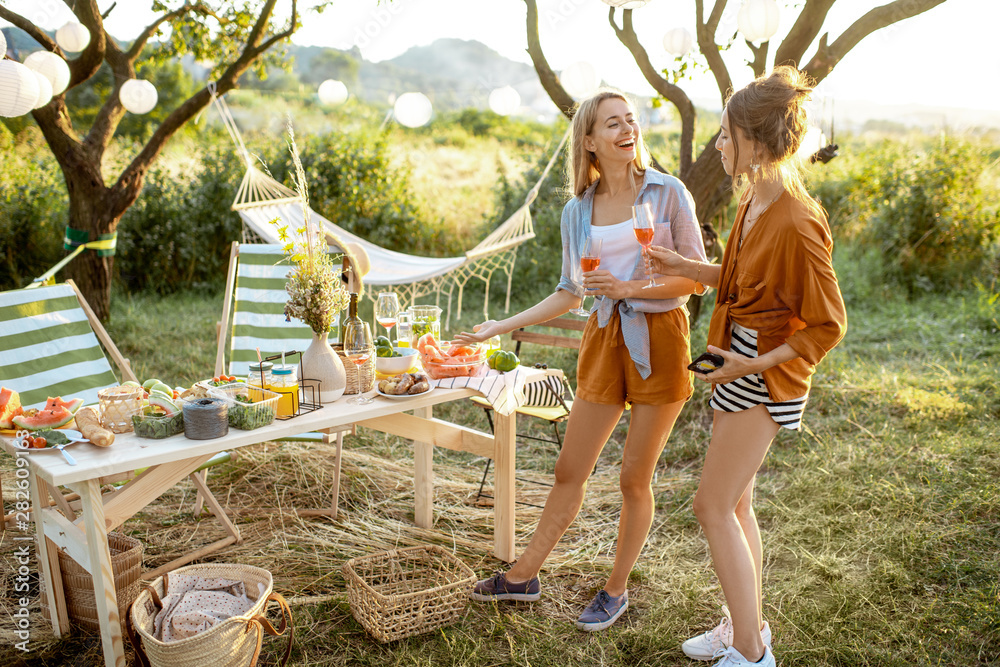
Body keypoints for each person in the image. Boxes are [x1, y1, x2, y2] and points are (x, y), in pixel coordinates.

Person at [453, 89, 708, 632]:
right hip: (602, 337)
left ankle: (614, 591)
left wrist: (630, 285)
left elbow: (696, 279)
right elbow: (572, 290)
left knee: (634, 479)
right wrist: (504, 325)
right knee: (570, 469)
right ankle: (523, 577)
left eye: (630, 120)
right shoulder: (578, 210)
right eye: (611, 123)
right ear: (589, 141)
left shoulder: (668, 192)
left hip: (658, 337)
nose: (626, 129)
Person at [646, 66, 847, 666]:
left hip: (764, 374)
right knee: (735, 506)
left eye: (728, 135)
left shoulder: (796, 218)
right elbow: (735, 281)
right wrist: (684, 262)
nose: (718, 144)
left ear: (757, 142)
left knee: (711, 505)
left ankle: (753, 655)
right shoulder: (753, 200)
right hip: (737, 364)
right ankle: (744, 627)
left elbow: (829, 322)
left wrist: (751, 364)